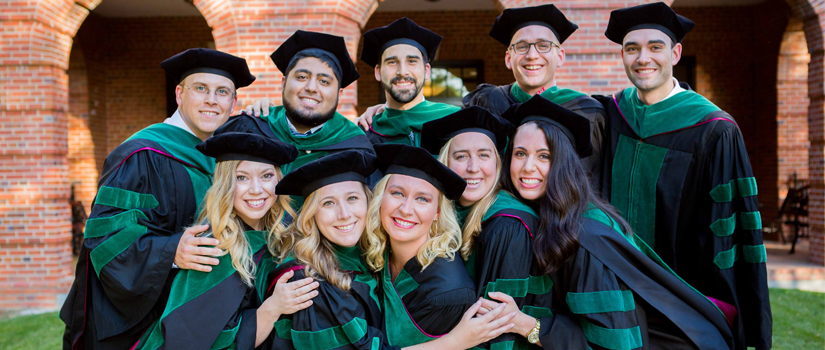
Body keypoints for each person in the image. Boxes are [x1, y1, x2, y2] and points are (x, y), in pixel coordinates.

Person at [485, 94, 733, 349]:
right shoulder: (564, 214)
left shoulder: (585, 239)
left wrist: (528, 326)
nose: (528, 167)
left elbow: (612, 342)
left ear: (564, 164)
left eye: (544, 156)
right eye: (520, 153)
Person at [592, 3, 771, 349]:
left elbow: (729, 233)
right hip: (614, 292)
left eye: (655, 47)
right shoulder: (612, 115)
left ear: (675, 53)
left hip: (682, 303)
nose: (643, 57)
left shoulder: (714, 130)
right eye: (632, 49)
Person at [60, 48, 256, 350]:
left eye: (222, 92)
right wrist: (171, 252)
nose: (211, 100)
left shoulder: (224, 158)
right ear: (180, 94)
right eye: (200, 89)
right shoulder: (142, 154)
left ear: (233, 102)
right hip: (140, 318)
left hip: (197, 312)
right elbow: (106, 238)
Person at [264, 150, 514, 350]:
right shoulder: (309, 284)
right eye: (328, 203)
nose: (344, 214)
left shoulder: (368, 259)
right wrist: (453, 343)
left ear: (367, 201)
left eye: (352, 198)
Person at [134, 132, 319, 350]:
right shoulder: (212, 248)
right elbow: (197, 340)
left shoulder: (281, 234)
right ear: (225, 184)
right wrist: (273, 308)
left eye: (267, 176)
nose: (256, 189)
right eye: (241, 178)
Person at [421, 106, 551, 349]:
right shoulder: (443, 213)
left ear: (497, 163)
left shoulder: (508, 226)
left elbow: (497, 330)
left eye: (483, 155)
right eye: (461, 156)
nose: (473, 167)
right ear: (444, 163)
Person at [361, 143, 514, 348]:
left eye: (422, 199)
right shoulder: (377, 254)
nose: (406, 209)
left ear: (437, 213)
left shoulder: (446, 293)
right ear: (381, 199)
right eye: (397, 193)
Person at [461, 4, 606, 181]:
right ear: (508, 59)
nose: (532, 55)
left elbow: (593, 182)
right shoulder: (486, 102)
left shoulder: (587, 111)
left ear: (560, 57)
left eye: (543, 45)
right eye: (521, 47)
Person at [218, 30, 373, 176]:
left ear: (339, 94)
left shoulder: (356, 146)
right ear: (283, 83)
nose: (311, 88)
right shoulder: (249, 127)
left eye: (324, 81)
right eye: (301, 77)